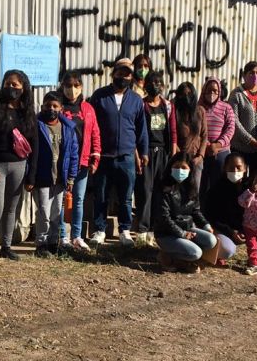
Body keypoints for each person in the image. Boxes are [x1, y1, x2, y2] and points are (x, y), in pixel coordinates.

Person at [88, 58, 148, 246]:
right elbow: (91, 125)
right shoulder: (99, 96)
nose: (123, 77)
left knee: (125, 197)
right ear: (113, 73)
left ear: (131, 77)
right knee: (102, 195)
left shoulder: (136, 100)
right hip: (103, 155)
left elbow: (141, 129)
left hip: (127, 156)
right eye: (120, 73)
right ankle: (99, 230)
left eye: (127, 74)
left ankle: (124, 230)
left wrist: (143, 151)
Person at [0, 69, 38, 262]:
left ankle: (6, 246)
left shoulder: (26, 111)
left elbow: (35, 144)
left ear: (23, 88)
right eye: (7, 84)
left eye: (15, 85)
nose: (11, 87)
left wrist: (32, 175)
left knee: (12, 208)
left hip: (19, 166)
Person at [57, 72, 101, 252]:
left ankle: (77, 236)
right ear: (62, 87)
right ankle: (61, 236)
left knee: (78, 200)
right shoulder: (57, 107)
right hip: (61, 161)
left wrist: (95, 157)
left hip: (82, 162)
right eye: (68, 86)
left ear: (81, 87)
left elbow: (95, 134)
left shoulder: (88, 109)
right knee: (60, 200)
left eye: (76, 86)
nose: (72, 90)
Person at [31, 92, 78, 256]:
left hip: (60, 178)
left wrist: (71, 177)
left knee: (57, 212)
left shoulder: (68, 128)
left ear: (61, 108)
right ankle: (41, 244)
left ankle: (53, 242)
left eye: (55, 106)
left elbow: (73, 154)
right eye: (48, 105)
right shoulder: (36, 125)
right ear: (42, 106)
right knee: (43, 212)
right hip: (42, 177)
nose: (51, 108)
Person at [133, 71, 177, 245]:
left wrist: (173, 151)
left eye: (159, 82)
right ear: (145, 85)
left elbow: (172, 131)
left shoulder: (167, 106)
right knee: (145, 190)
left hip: (163, 153)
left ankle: (154, 228)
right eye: (152, 82)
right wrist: (139, 153)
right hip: (147, 152)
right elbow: (137, 131)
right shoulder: (141, 105)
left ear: (163, 86)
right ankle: (142, 230)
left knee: (161, 191)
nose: (155, 85)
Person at [152, 155, 218, 271]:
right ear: (170, 167)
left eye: (184, 168)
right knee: (195, 253)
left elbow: (196, 211)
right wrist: (182, 234)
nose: (180, 171)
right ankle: (168, 256)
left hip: (187, 229)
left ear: (190, 170)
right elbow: (164, 218)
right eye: (177, 167)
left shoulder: (191, 187)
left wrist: (206, 225)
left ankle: (182, 257)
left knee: (211, 240)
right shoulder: (163, 188)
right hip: (166, 234)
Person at [201, 153, 250, 265]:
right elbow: (211, 217)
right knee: (227, 250)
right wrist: (231, 232)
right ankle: (215, 253)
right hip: (225, 230)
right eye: (231, 167)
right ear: (224, 168)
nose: (235, 171)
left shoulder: (251, 188)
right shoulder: (216, 189)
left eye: (238, 167)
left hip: (248, 229)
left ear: (245, 168)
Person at [227, 61, 257, 173]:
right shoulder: (236, 94)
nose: (254, 76)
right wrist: (249, 140)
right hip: (240, 147)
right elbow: (234, 120)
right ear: (244, 75)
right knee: (239, 177)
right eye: (251, 73)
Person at [199, 76, 235, 203]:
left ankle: (216, 214)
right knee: (201, 185)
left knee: (218, 185)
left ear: (219, 92)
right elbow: (195, 130)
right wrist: (207, 145)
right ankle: (201, 214)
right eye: (209, 90)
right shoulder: (198, 107)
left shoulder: (226, 108)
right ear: (204, 90)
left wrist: (217, 145)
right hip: (202, 151)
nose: (212, 94)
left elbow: (230, 129)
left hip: (221, 152)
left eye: (215, 91)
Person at [172, 81, 207, 196]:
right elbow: (172, 134)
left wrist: (200, 156)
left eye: (189, 93)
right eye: (183, 94)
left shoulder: (200, 111)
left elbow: (204, 135)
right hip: (179, 159)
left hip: (195, 159)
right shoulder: (174, 111)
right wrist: (179, 155)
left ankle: (192, 214)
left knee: (194, 191)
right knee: (176, 190)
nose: (186, 97)